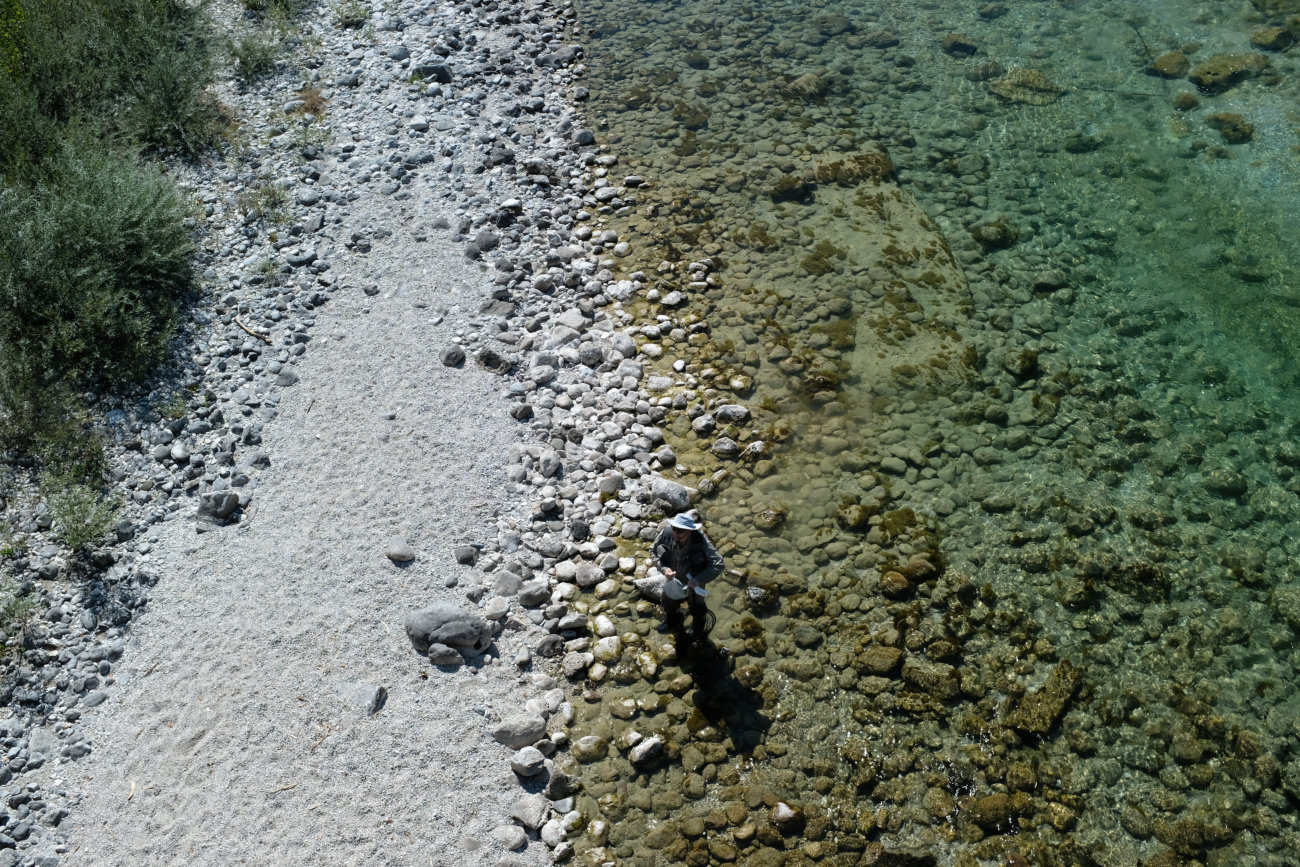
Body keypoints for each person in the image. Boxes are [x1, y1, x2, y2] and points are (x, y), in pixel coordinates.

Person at [652, 511, 723, 642]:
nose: (676, 534)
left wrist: (698, 579)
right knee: (668, 603)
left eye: (680, 531)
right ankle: (672, 621)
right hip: (673, 580)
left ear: (690, 531)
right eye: (674, 529)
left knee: (698, 609)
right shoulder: (667, 533)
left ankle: (698, 629)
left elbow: (719, 564)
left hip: (695, 584)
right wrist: (664, 569)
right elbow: (653, 551)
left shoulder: (700, 541)